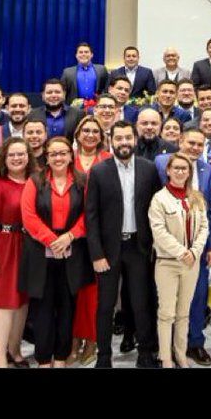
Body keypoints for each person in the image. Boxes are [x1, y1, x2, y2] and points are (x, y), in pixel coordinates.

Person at [85, 121, 164, 370]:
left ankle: (145, 353)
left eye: (128, 138)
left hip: (139, 248)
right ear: (111, 140)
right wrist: (96, 253)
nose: (124, 143)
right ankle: (104, 356)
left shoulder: (149, 169)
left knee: (142, 303)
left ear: (135, 139)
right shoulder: (99, 172)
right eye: (118, 138)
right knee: (105, 305)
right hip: (109, 250)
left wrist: (154, 246)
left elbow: (156, 209)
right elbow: (91, 216)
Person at [20, 135, 93, 368]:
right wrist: (52, 240)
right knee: (42, 309)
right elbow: (28, 216)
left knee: (66, 307)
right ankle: (43, 359)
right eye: (53, 154)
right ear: (47, 157)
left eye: (63, 153)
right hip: (40, 251)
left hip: (73, 251)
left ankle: (61, 358)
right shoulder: (34, 180)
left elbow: (88, 214)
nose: (59, 157)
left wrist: (70, 236)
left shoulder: (82, 180)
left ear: (71, 155)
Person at [155, 126, 211, 366]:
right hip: (168, 248)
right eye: (190, 143)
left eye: (199, 145)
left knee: (198, 296)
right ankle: (165, 348)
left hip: (197, 248)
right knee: (168, 302)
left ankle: (194, 344)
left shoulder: (208, 171)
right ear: (181, 141)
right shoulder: (162, 163)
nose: (194, 148)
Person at [149, 152, 210, 368]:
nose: (180, 172)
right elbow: (159, 231)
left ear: (189, 172)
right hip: (167, 263)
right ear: (168, 170)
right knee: (166, 313)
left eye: (185, 169)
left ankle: (181, 354)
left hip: (191, 263)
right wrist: (180, 251)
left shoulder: (197, 198)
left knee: (184, 313)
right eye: (176, 168)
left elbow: (204, 227)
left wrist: (194, 252)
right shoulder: (159, 198)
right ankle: (165, 357)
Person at [0, 136, 32, 367]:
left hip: (28, 246)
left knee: (22, 301)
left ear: (28, 157)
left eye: (21, 154)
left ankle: (15, 350)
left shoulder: (34, 182)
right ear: (4, 158)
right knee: (4, 303)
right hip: (3, 245)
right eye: (12, 154)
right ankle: (0, 357)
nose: (17, 158)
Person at [70, 114, 110, 364]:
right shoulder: (67, 160)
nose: (91, 135)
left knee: (95, 293)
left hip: (98, 237)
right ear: (77, 134)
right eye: (86, 130)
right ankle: (73, 339)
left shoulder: (108, 161)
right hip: (70, 237)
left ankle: (92, 340)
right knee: (73, 291)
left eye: (95, 131)